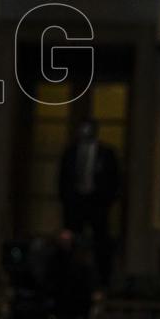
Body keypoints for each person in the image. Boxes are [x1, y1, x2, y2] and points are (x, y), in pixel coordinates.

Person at [58, 118, 120, 291]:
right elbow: (63, 180)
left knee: (101, 242)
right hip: (75, 204)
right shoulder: (70, 152)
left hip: (98, 204)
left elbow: (115, 180)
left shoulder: (106, 153)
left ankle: (103, 281)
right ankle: (68, 279)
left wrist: (106, 200)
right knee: (71, 243)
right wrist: (67, 201)